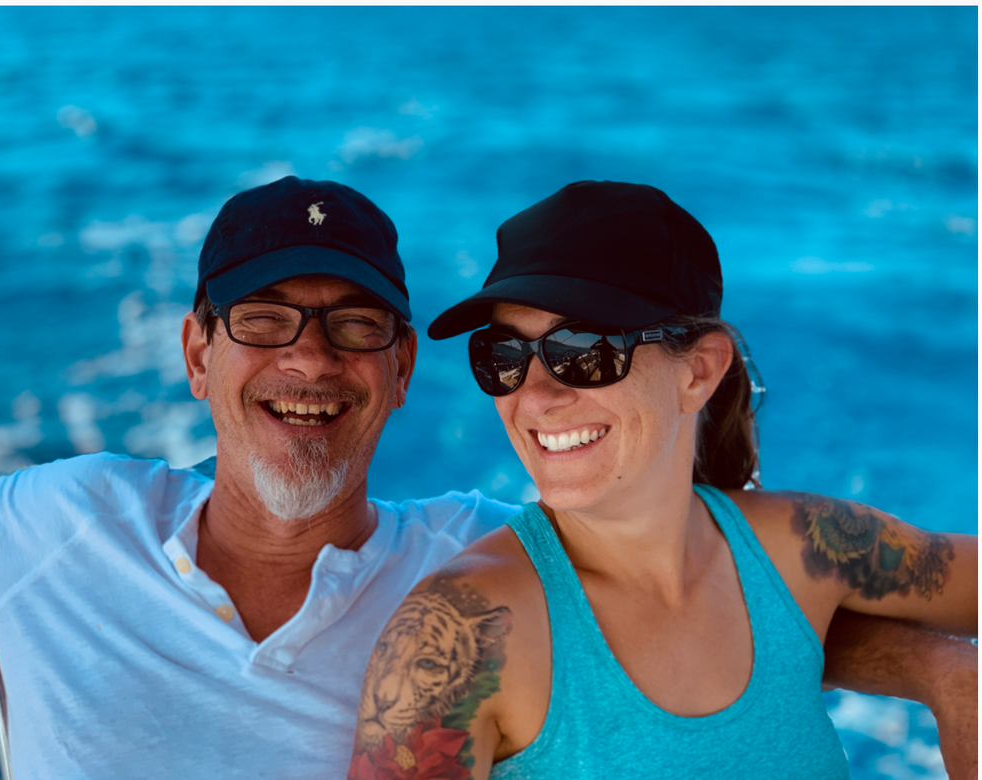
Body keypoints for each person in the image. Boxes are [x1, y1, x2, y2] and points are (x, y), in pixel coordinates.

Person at [0, 178, 975, 779]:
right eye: (263, 321)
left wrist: (935, 670)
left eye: (354, 326)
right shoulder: (62, 521)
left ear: (400, 371)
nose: (307, 359)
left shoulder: (473, 553)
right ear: (198, 353)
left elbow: (682, 604)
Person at [348, 181, 979, 780]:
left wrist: (952, 673)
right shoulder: (459, 640)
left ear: (698, 373)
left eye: (584, 350)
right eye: (505, 356)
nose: (535, 397)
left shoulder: (805, 548)